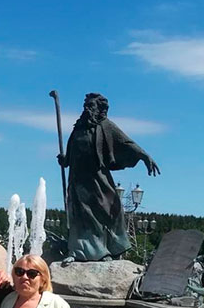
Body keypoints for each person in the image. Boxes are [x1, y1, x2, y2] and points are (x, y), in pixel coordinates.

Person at [60, 93, 160, 262]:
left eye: (91, 106)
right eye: (86, 105)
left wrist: (144, 156)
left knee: (111, 210)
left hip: (97, 178)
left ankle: (112, 248)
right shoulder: (78, 127)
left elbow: (126, 143)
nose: (87, 109)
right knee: (82, 215)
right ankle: (79, 251)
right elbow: (72, 152)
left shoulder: (106, 126)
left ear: (99, 109)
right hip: (78, 180)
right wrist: (65, 159)